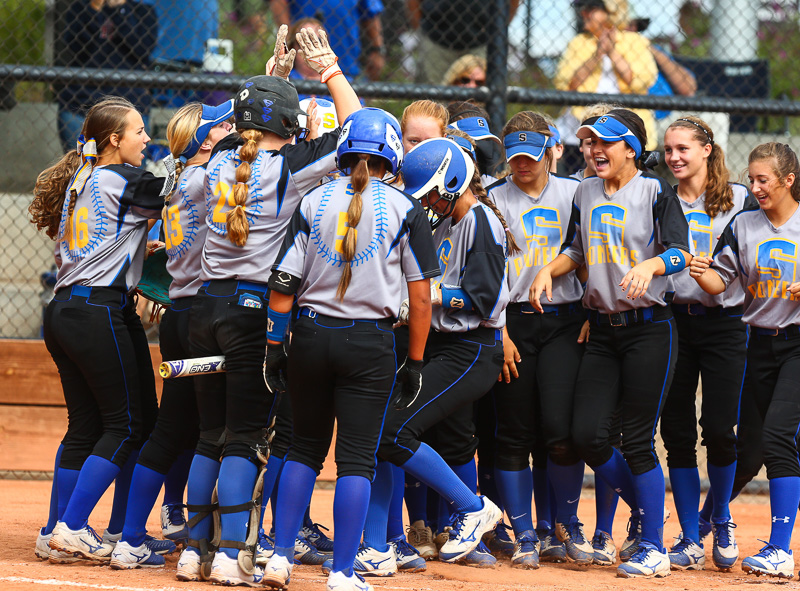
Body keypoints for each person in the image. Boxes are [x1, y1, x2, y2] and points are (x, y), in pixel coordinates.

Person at [174, 27, 361, 586]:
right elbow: (360, 131)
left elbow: (239, 130)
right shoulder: (291, 165)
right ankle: (231, 555)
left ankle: (194, 551)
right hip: (252, 313)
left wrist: (272, 75)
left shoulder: (217, 163)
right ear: (286, 125)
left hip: (205, 310)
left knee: (211, 433)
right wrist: (328, 71)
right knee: (246, 436)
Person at [261, 107, 437, 591]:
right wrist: (416, 360)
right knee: (357, 459)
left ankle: (278, 557)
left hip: (311, 337)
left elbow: (282, 285)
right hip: (369, 342)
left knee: (303, 450)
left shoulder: (314, 199)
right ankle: (341, 572)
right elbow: (420, 297)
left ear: (343, 150)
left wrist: (276, 345)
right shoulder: (406, 209)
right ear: (393, 156)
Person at [531, 108, 693, 578]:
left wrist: (651, 266)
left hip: (650, 328)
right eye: (589, 142)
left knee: (638, 440)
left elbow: (680, 252)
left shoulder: (655, 190)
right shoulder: (585, 190)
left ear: (631, 149)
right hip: (602, 330)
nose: (594, 149)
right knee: (587, 435)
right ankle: (644, 511)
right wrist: (549, 269)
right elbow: (576, 250)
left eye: (605, 142)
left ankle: (653, 547)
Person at [29, 96, 167, 561]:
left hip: (66, 309)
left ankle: (54, 531)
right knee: (128, 425)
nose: (146, 139)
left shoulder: (84, 177)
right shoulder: (120, 177)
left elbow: (111, 238)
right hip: (96, 311)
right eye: (138, 131)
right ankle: (75, 526)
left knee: (86, 426)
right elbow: (179, 191)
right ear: (115, 139)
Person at [107, 99, 235, 569]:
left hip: (180, 312)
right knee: (214, 428)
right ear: (205, 140)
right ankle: (213, 540)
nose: (235, 131)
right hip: (206, 315)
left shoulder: (179, 178)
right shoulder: (208, 178)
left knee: (174, 427)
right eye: (224, 127)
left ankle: (132, 535)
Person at [690, 142, 800, 580]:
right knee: (747, 449)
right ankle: (700, 525)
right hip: (757, 343)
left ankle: (779, 549)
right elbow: (722, 280)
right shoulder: (744, 223)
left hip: (798, 344)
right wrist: (703, 274)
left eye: (763, 180)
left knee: (778, 436)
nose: (753, 187)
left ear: (788, 180)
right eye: (750, 179)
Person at [488, 111, 585, 569]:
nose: (522, 165)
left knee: (560, 432)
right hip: (514, 322)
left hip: (566, 318)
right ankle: (526, 532)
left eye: (530, 156)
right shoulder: (493, 198)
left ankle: (560, 526)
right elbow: (486, 275)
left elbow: (586, 253)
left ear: (551, 151)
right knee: (513, 431)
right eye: (514, 157)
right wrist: (500, 331)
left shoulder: (575, 192)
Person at [659, 116, 755, 573]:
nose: (674, 157)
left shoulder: (739, 198)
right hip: (675, 320)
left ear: (707, 150)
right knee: (676, 431)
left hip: (727, 324)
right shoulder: (663, 200)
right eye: (668, 150)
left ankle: (720, 516)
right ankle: (689, 536)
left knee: (719, 428)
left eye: (683, 149)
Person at [553, 0, 657, 172]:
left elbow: (641, 83)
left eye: (590, 8)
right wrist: (597, 55)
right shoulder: (578, 43)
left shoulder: (635, 42)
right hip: (584, 131)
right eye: (582, 9)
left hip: (628, 131)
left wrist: (612, 52)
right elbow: (565, 84)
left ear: (611, 12)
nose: (583, 13)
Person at [56, 0, 158, 153]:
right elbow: (76, 47)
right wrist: (94, 9)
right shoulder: (80, 8)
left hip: (129, 108)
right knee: (82, 171)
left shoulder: (143, 12)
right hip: (82, 106)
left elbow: (141, 49)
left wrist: (120, 9)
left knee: (129, 174)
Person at [407, 0, 519, 84]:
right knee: (431, 100)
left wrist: (498, 29)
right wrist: (420, 28)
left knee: (479, 96)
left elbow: (513, 3)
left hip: (482, 39)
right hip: (435, 36)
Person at [270, 0, 386, 80]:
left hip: (345, 56)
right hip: (304, 62)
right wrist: (290, 42)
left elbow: (371, 12)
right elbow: (278, 3)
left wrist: (377, 49)